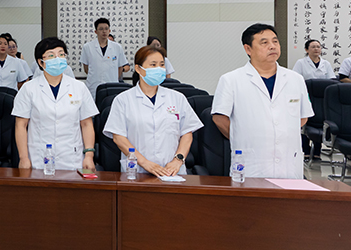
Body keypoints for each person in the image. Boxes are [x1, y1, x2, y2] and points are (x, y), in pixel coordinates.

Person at [212, 23, 312, 179]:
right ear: (248, 49)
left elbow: (303, 117)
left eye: (275, 41)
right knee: (251, 194)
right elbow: (219, 118)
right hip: (251, 162)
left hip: (288, 162)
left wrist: (277, 134)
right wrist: (243, 137)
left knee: (288, 194)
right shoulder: (231, 80)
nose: (272, 46)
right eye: (264, 43)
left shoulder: (296, 79)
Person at [104, 46, 202, 176]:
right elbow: (119, 137)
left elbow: (187, 133)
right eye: (153, 65)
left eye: (162, 65)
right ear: (138, 69)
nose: (159, 69)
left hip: (172, 172)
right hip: (137, 171)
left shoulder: (177, 98)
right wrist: (144, 163)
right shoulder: (123, 100)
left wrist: (178, 160)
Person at [13, 37, 98, 171]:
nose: (57, 59)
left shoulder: (79, 87)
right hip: (39, 157)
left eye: (61, 54)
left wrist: (89, 155)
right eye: (51, 55)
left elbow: (87, 124)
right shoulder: (29, 89)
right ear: (41, 62)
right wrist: (23, 158)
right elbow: (21, 125)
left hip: (72, 157)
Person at [80, 18, 128, 97]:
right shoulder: (87, 47)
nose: (104, 31)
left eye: (106, 29)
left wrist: (113, 78)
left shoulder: (117, 47)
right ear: (96, 31)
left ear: (109, 30)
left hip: (112, 85)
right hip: (93, 85)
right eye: (101, 29)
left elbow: (120, 67)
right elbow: (86, 68)